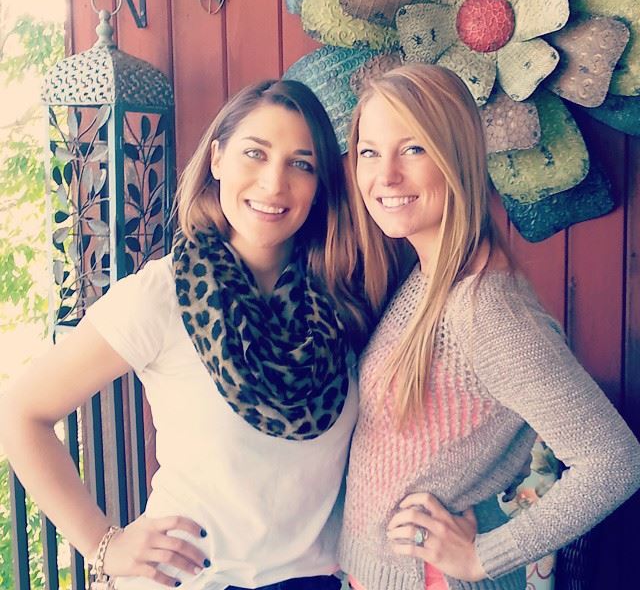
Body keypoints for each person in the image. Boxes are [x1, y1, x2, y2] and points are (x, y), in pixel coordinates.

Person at [0, 79, 380, 590]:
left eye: (301, 164)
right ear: (217, 159)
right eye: (255, 153)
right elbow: (21, 413)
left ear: (320, 185)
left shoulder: (341, 302)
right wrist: (103, 544)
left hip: (311, 579)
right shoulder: (162, 295)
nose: (274, 183)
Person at [338, 63, 640, 590]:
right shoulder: (426, 275)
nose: (385, 176)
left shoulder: (486, 308)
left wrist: (484, 556)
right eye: (369, 152)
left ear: (458, 157)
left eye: (413, 148)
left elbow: (614, 461)